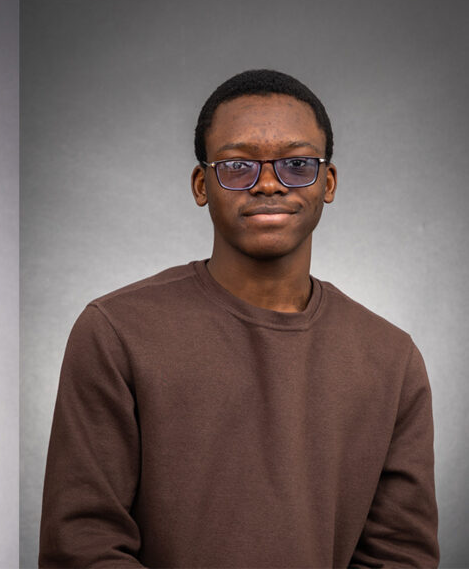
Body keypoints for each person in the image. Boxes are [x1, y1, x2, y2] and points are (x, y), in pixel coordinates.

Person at [39, 69, 438, 567]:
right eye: (237, 166)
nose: (268, 183)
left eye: (297, 164)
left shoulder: (391, 358)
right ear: (201, 183)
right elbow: (82, 545)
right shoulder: (116, 331)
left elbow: (400, 554)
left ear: (328, 182)